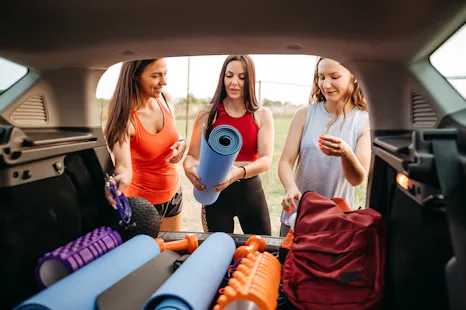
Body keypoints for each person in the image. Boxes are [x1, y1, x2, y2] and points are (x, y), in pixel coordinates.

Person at [278, 57, 371, 236]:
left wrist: (346, 153)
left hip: (336, 221)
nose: (326, 85)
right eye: (321, 77)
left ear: (354, 76)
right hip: (296, 216)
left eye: (334, 77)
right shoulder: (304, 114)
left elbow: (356, 179)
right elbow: (285, 162)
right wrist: (291, 187)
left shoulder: (363, 121)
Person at [183, 55, 274, 235]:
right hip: (215, 194)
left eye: (241, 77)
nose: (234, 82)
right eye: (229, 75)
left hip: (250, 192)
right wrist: (188, 168)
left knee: (264, 252)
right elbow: (192, 155)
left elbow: (266, 160)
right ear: (222, 77)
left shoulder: (261, 114)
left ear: (250, 80)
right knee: (217, 252)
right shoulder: (207, 114)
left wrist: (237, 173)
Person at [104, 58, 186, 232]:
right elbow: (123, 168)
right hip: (144, 205)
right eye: (156, 76)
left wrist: (182, 142)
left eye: (165, 74)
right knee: (150, 257)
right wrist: (117, 181)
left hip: (173, 194)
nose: (164, 82)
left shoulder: (165, 98)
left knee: (171, 253)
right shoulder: (125, 116)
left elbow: (172, 135)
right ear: (135, 76)